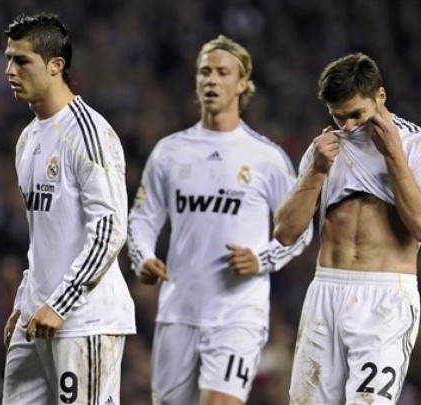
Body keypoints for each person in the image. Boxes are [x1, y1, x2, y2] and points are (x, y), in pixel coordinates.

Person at [127, 35, 313, 405]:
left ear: (242, 84)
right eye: (204, 72)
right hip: (178, 311)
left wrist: (261, 259)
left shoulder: (266, 158)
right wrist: (143, 257)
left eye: (222, 72)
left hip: (237, 313)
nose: (211, 79)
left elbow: (299, 229)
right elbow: (142, 218)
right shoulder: (169, 152)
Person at [273, 52, 421, 404]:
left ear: (380, 96)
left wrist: (393, 153)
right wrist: (317, 170)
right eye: (339, 116)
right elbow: (285, 232)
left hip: (384, 298)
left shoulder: (420, 144)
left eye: (357, 114)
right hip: (326, 291)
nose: (350, 126)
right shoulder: (323, 150)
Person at [1, 13, 135, 404]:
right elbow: (45, 236)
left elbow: (110, 230)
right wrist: (25, 299)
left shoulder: (89, 133)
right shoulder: (28, 139)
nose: (10, 71)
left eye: (22, 61)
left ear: (55, 65)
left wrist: (59, 304)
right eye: (8, 59)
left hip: (83, 319)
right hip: (36, 316)